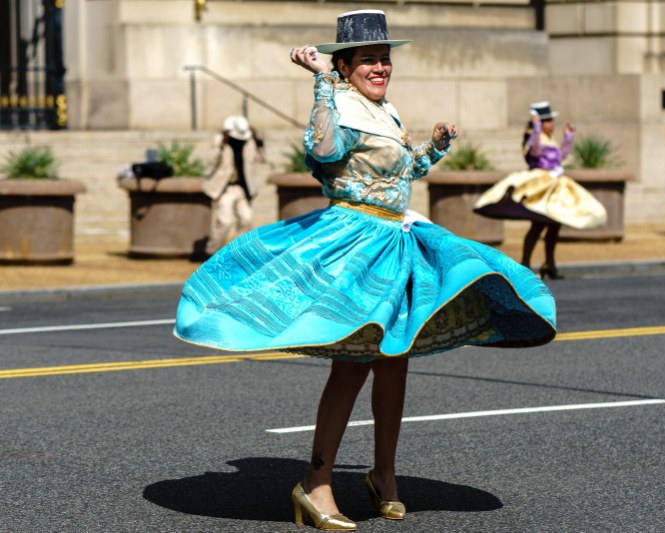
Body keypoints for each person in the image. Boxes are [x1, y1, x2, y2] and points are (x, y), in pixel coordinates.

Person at [174, 10, 556, 531]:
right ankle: (315, 483)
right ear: (346, 65)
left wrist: (434, 147)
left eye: (385, 58)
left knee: (394, 361)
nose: (380, 67)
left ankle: (384, 476)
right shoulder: (340, 103)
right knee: (352, 364)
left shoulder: (386, 111)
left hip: (393, 239)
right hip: (353, 244)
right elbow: (324, 151)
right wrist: (321, 84)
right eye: (369, 59)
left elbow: (403, 172)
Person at [473, 101, 607, 279]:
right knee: (538, 225)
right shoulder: (535, 138)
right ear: (541, 123)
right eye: (548, 121)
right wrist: (535, 127)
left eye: (551, 121)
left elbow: (561, 156)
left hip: (554, 186)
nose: (552, 124)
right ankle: (525, 264)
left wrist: (568, 138)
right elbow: (535, 151)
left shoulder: (549, 139)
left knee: (554, 224)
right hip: (541, 186)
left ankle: (549, 264)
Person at [202, 115, 265, 256]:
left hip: (243, 188)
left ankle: (235, 251)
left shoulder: (249, 142)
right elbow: (211, 162)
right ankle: (212, 251)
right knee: (225, 221)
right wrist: (219, 145)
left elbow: (260, 159)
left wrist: (259, 142)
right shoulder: (223, 143)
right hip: (226, 188)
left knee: (247, 219)